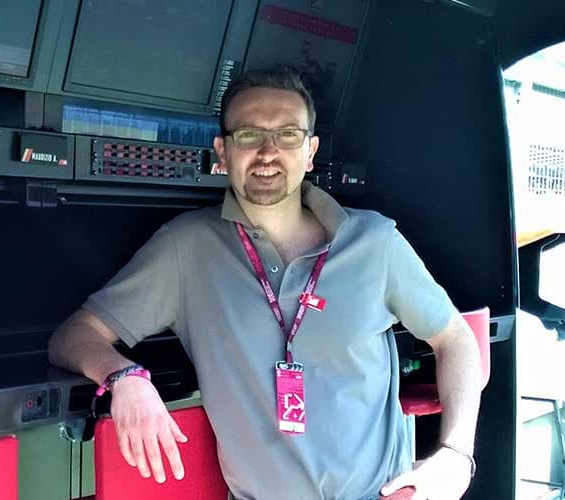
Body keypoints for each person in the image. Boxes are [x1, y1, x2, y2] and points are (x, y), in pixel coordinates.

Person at [47, 69, 483, 500]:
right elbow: (73, 336)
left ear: (310, 152)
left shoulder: (375, 242)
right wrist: (125, 377)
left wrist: (457, 453)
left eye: (288, 135)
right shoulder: (187, 248)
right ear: (222, 152)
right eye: (249, 136)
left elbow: (455, 338)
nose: (268, 151)